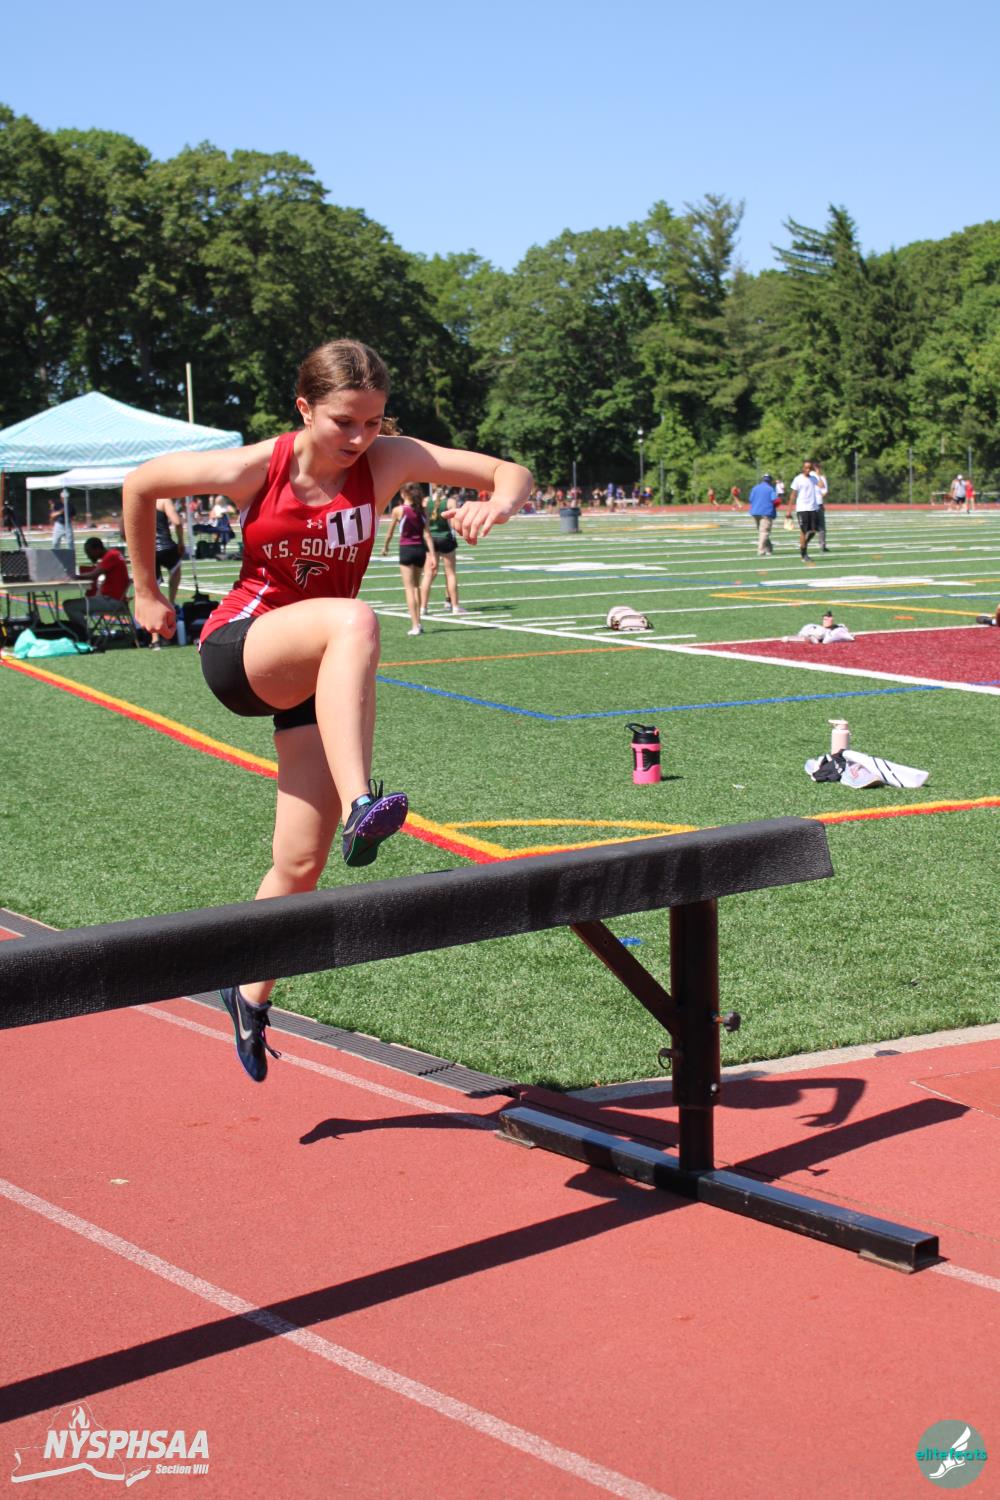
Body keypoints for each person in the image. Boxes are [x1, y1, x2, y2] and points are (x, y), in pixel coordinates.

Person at [124, 338, 531, 1083]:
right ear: (305, 409)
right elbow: (141, 484)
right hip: (245, 648)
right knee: (356, 618)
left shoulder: (389, 459)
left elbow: (509, 470)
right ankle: (361, 803)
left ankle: (248, 994)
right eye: (345, 421)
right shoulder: (256, 467)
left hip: (317, 670)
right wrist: (145, 591)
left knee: (300, 864)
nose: (360, 438)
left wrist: (499, 501)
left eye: (374, 423)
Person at [381, 482, 438, 635]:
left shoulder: (398, 510)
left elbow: (390, 533)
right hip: (420, 550)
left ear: (403, 494)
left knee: (409, 589)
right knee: (416, 587)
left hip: (406, 550)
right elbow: (427, 534)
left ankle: (415, 625)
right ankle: (419, 622)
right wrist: (433, 555)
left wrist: (385, 547)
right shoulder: (422, 510)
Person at [64, 537, 130, 638]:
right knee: (72, 604)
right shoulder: (114, 554)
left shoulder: (111, 556)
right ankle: (85, 633)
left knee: (69, 605)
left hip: (112, 602)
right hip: (116, 600)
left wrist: (74, 577)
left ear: (97, 549)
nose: (88, 556)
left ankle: (85, 635)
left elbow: (94, 574)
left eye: (89, 552)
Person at [420, 485, 466, 616]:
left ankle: (423, 608)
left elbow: (423, 523)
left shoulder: (425, 501)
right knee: (450, 574)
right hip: (445, 538)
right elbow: (454, 524)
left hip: (430, 539)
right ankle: (455, 606)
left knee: (428, 574)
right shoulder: (450, 502)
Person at [152, 497, 187, 649]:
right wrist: (181, 542)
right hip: (166, 546)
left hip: (148, 550)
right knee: (176, 569)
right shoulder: (163, 500)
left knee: (153, 593)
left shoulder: (137, 499)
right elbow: (177, 522)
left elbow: (123, 530)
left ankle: (154, 639)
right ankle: (171, 604)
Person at [790, 459, 826, 562]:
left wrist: (817, 472)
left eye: (810, 468)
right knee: (803, 531)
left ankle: (803, 545)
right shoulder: (798, 479)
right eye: (806, 468)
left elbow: (822, 485)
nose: (808, 470)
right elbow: (793, 495)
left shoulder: (813, 478)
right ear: (803, 468)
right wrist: (788, 511)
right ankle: (804, 554)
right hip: (802, 509)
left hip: (813, 508)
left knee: (813, 531)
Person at [747, 473, 777, 556]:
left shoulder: (755, 488)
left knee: (762, 532)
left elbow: (750, 499)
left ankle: (769, 548)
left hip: (755, 512)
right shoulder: (771, 489)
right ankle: (761, 550)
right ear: (770, 481)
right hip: (766, 512)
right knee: (764, 532)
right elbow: (775, 501)